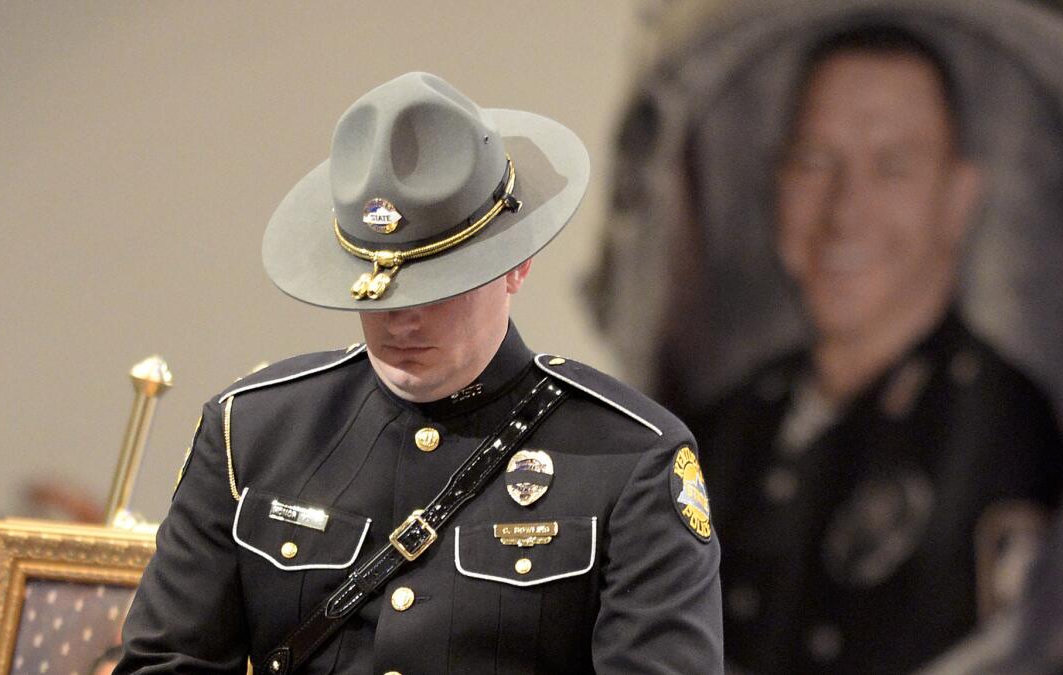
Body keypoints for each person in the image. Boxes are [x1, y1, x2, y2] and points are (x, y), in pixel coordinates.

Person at [115, 72, 722, 674]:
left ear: (517, 265)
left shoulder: (631, 459)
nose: (401, 320)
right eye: (378, 292)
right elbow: (166, 662)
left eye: (438, 285)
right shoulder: (252, 431)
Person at [683, 25, 1063, 675]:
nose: (845, 212)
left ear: (958, 198)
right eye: (815, 161)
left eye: (892, 166)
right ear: (778, 183)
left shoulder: (1012, 435)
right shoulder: (718, 428)